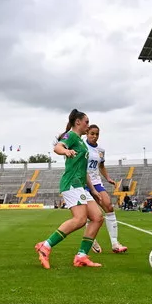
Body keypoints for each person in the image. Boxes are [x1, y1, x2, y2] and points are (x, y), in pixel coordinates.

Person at [35, 109, 104, 269]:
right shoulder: (71, 135)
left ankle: (81, 256)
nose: (88, 125)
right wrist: (65, 151)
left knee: (97, 218)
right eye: (86, 121)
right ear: (78, 122)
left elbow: (84, 170)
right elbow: (58, 147)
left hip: (81, 185)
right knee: (80, 219)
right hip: (71, 183)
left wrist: (93, 190)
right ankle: (45, 246)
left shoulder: (81, 141)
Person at [85, 124, 127, 253]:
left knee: (109, 206)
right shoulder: (82, 147)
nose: (95, 136)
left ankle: (115, 243)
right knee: (90, 214)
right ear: (86, 133)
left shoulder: (101, 150)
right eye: (92, 133)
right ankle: (91, 239)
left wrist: (107, 178)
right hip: (82, 183)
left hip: (96, 182)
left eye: (97, 134)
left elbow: (101, 166)